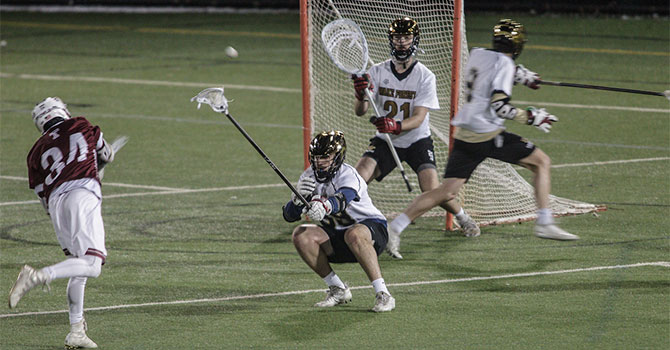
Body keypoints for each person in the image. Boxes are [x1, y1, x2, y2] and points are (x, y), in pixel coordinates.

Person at [387, 19, 579, 242]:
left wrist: (521, 75)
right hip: (487, 134)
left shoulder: (478, 54)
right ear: (518, 46)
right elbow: (500, 106)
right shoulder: (504, 66)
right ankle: (545, 222)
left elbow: (492, 71)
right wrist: (531, 117)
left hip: (466, 132)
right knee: (541, 162)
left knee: (446, 191)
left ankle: (397, 227)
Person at [351, 16, 479, 259]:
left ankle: (463, 217)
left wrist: (394, 124)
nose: (401, 42)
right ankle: (346, 219)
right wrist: (360, 94)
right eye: (397, 37)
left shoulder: (424, 76)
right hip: (386, 141)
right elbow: (360, 111)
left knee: (431, 189)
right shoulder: (376, 72)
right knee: (358, 177)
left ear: (414, 40)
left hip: (416, 140)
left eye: (406, 37)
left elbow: (419, 118)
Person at [8, 97, 116, 349]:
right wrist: (98, 168)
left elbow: (42, 198)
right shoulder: (80, 124)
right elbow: (106, 153)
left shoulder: (35, 152)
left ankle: (76, 331)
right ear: (63, 111)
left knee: (78, 266)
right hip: (82, 193)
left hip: (57, 204)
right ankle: (39, 276)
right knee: (93, 264)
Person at [283, 130, 395, 312]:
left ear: (337, 156)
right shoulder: (308, 176)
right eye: (317, 157)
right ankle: (337, 289)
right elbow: (288, 216)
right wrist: (296, 201)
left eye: (326, 157)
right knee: (301, 235)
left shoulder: (349, 174)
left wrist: (326, 206)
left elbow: (345, 197)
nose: (320, 162)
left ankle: (383, 294)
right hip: (339, 236)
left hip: (372, 232)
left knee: (355, 234)